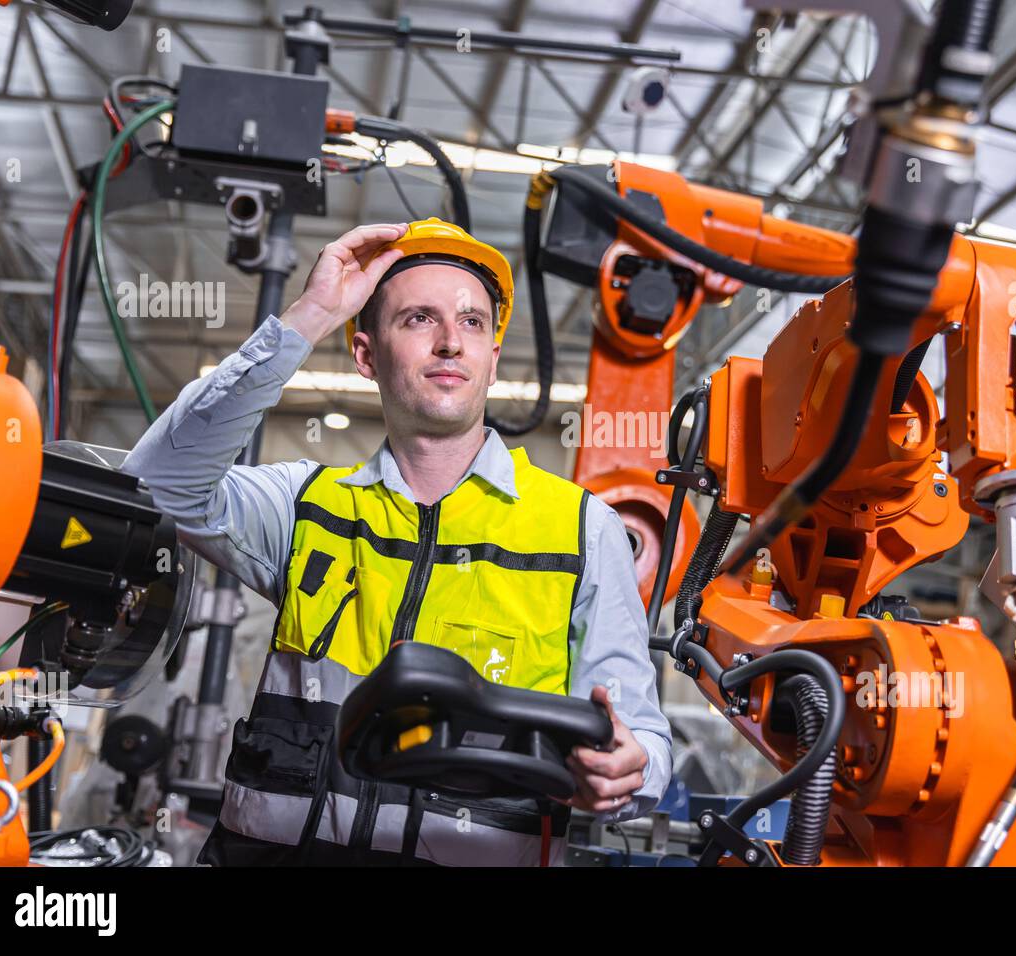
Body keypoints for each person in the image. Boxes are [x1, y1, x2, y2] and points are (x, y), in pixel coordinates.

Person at [123, 218, 671, 866]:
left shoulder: (583, 530)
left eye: (472, 323)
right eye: (418, 319)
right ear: (365, 354)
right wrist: (311, 314)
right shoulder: (308, 508)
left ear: (493, 359)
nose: (450, 343)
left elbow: (643, 742)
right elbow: (157, 486)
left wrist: (630, 772)